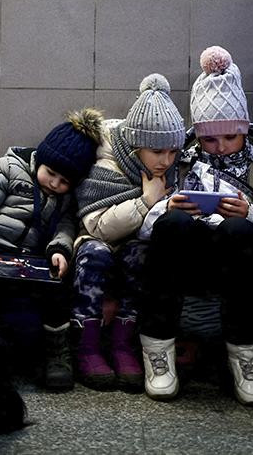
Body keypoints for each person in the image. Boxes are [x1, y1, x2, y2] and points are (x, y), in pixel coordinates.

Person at [136, 46, 253, 404]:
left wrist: (249, 213)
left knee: (240, 229)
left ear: (244, 129)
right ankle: (158, 353)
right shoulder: (180, 160)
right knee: (173, 223)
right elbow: (146, 227)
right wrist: (169, 205)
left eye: (230, 137)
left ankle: (247, 358)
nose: (220, 147)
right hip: (184, 255)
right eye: (209, 139)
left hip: (237, 258)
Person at [0, 108, 105, 391]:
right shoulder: (9, 167)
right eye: (51, 173)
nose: (55, 183)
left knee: (58, 292)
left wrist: (60, 251)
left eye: (64, 182)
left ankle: (56, 354)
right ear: (40, 159)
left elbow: (66, 225)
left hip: (34, 259)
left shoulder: (64, 198)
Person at [72, 74, 186, 392]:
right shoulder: (106, 159)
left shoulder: (167, 166)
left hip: (135, 241)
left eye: (173, 152)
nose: (166, 161)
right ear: (135, 147)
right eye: (157, 152)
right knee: (93, 254)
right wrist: (147, 201)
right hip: (96, 241)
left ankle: (124, 345)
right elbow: (97, 225)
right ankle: (87, 347)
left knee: (141, 254)